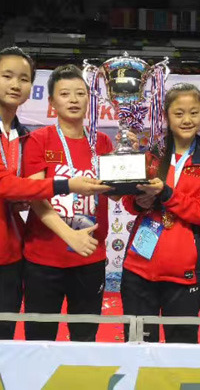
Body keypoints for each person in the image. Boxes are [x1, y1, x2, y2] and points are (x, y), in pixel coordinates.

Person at [0, 48, 109, 340]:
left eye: (24, 78)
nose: (16, 84)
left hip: (9, 259)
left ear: (31, 88)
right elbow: (4, 185)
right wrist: (65, 185)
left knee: (3, 343)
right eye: (7, 76)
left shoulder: (22, 135)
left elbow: (22, 194)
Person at [120, 83, 200, 343]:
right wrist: (141, 203)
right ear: (167, 116)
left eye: (194, 112)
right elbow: (128, 202)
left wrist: (166, 194)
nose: (187, 119)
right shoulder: (151, 154)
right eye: (178, 113)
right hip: (138, 270)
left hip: (183, 275)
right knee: (137, 348)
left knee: (181, 352)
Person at [22, 64, 115, 342]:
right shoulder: (38, 140)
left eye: (80, 93)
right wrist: (69, 236)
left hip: (89, 256)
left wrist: (130, 171)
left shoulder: (103, 142)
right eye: (64, 94)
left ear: (89, 99)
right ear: (52, 102)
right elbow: (37, 196)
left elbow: (115, 193)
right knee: (40, 339)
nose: (73, 99)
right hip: (43, 258)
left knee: (85, 339)